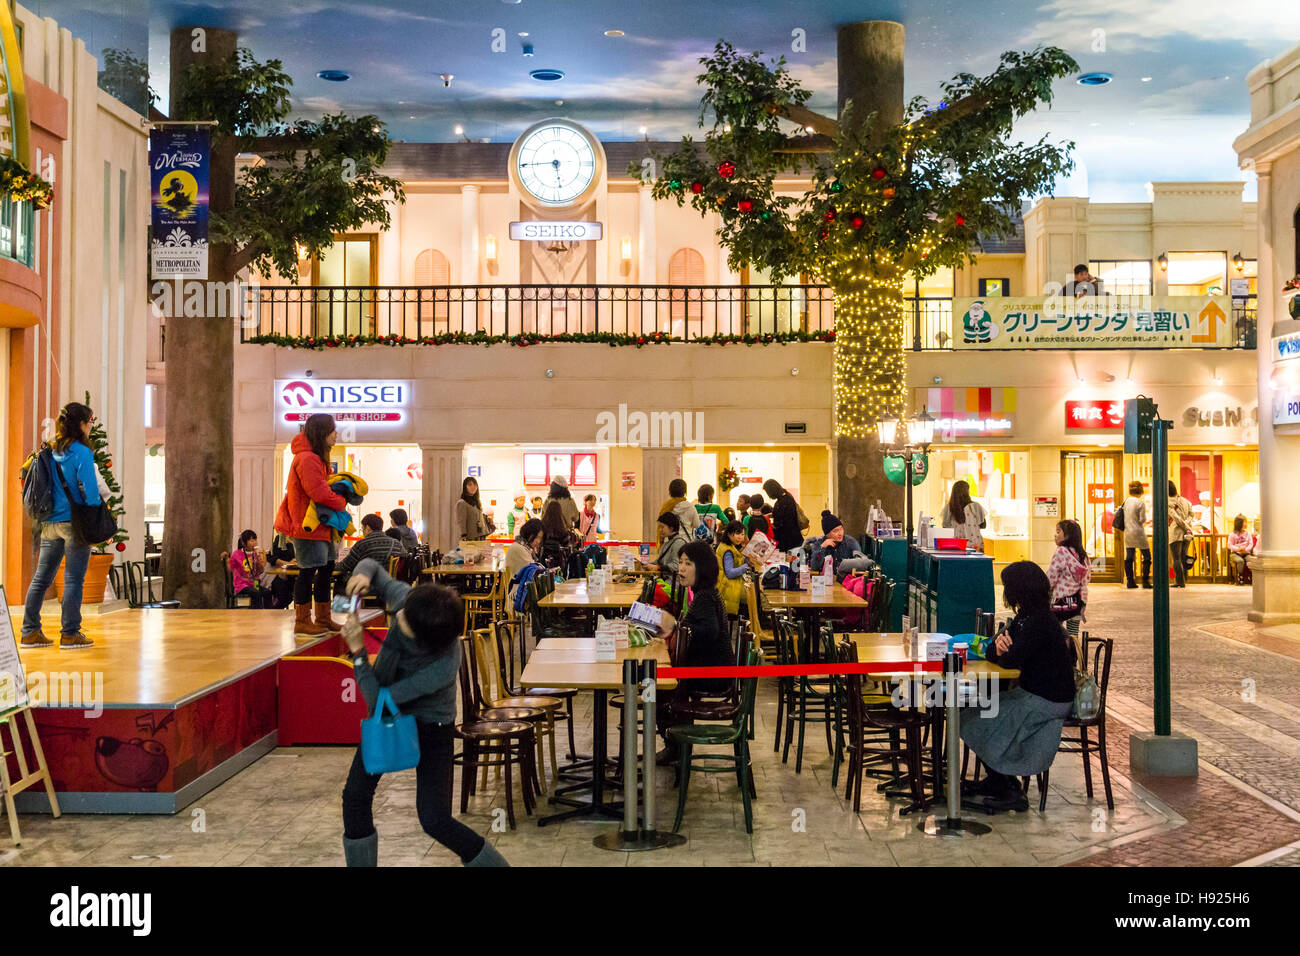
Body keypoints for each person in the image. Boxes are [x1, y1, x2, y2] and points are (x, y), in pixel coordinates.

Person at [339, 559, 507, 867]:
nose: (398, 613)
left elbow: (379, 700)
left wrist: (358, 653)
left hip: (432, 726)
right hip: (388, 715)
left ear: (424, 639)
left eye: (403, 619)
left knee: (434, 818)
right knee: (355, 796)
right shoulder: (413, 603)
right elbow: (375, 568)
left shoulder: (442, 666)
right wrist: (364, 574)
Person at [960, 561, 1076, 807]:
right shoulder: (1025, 616)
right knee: (973, 713)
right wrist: (998, 648)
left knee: (982, 718)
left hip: (1048, 700)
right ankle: (1000, 779)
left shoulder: (1040, 622)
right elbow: (992, 648)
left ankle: (1009, 788)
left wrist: (1001, 650)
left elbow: (1011, 659)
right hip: (1032, 693)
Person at [20, 402, 101, 649]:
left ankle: (30, 631)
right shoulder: (82, 453)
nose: (91, 426)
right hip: (73, 524)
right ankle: (70, 633)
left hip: (49, 523)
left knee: (41, 578)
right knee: (74, 579)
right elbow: (93, 493)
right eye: (91, 421)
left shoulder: (51, 449)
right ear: (82, 423)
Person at [655, 541, 737, 761]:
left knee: (661, 688)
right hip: (709, 667)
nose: (681, 568)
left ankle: (675, 745)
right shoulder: (702, 593)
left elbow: (709, 630)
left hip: (713, 674)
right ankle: (675, 744)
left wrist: (678, 627)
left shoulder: (705, 597)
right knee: (663, 684)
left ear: (701, 568)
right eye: (680, 562)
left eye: (687, 563)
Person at [274, 413, 348, 636]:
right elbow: (318, 492)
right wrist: (341, 501)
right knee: (308, 571)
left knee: (325, 569)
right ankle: (303, 619)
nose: (336, 434)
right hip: (307, 525)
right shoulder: (307, 458)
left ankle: (323, 618)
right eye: (332, 430)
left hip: (320, 525)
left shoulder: (315, 457)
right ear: (321, 432)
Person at [1048, 519, 1090, 639]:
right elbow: (1086, 581)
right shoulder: (1083, 555)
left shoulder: (1061, 552)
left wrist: (1044, 589)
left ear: (1067, 536)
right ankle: (1074, 654)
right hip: (1076, 602)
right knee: (1073, 635)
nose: (1055, 535)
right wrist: (1084, 602)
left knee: (1056, 634)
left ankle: (1060, 656)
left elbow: (1052, 575)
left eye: (1058, 532)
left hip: (1059, 603)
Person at [338, 513, 407, 580]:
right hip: (389, 584)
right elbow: (405, 557)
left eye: (362, 528)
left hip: (367, 585)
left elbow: (346, 565)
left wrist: (332, 565)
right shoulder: (396, 543)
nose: (363, 532)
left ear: (367, 528)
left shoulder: (362, 544)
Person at [804, 511, 867, 577]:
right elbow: (815, 567)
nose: (840, 533)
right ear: (827, 534)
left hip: (846, 581)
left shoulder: (851, 542)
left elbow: (861, 563)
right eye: (835, 531)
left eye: (841, 529)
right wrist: (822, 547)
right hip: (825, 582)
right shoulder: (819, 544)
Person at [714, 521, 752, 617]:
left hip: (726, 586)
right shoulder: (728, 551)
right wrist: (747, 566)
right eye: (737, 534)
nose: (740, 537)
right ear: (729, 534)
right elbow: (730, 573)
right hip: (728, 588)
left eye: (743, 534)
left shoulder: (729, 547)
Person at [505, 518, 544, 610]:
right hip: (519, 595)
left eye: (540, 538)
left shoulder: (523, 547)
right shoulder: (518, 549)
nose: (538, 541)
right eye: (537, 537)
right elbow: (532, 571)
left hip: (521, 591)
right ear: (530, 534)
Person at [762, 478, 807, 553]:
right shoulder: (788, 496)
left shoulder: (781, 503)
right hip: (795, 536)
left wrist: (767, 524)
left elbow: (778, 524)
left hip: (786, 540)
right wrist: (769, 515)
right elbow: (782, 514)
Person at [1120, 480, 1151, 589]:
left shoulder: (1126, 501)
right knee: (1147, 557)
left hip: (1128, 532)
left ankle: (1130, 581)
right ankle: (1145, 581)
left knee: (1129, 557)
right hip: (1138, 532)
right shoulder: (1140, 503)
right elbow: (1142, 519)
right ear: (1141, 491)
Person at [940, 480, 987, 552]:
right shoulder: (975, 507)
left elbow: (945, 527)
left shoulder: (949, 508)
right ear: (967, 492)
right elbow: (983, 525)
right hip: (975, 546)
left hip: (957, 546)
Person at [230, 530, 270, 609]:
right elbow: (230, 567)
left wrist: (259, 559)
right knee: (256, 593)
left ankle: (269, 615)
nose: (254, 542)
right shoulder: (237, 554)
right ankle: (255, 615)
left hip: (254, 584)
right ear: (243, 543)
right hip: (241, 585)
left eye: (255, 540)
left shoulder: (255, 554)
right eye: (251, 540)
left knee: (267, 593)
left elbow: (261, 571)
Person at [539, 499, 578, 572]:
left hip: (545, 557)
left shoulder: (542, 525)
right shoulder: (562, 527)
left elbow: (540, 542)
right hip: (558, 558)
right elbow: (566, 544)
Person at [1168, 480, 1195, 588]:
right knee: (1183, 556)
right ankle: (1184, 579)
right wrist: (1187, 525)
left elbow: (1175, 518)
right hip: (1187, 533)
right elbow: (1191, 515)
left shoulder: (1168, 502)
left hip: (1176, 532)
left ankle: (1180, 582)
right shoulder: (1185, 500)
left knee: (1176, 558)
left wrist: (1184, 525)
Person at [656, 478, 700, 543]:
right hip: (686, 542)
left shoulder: (666, 507)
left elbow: (661, 525)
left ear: (670, 491)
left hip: (669, 542)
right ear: (685, 491)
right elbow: (697, 525)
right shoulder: (691, 507)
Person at [648, 512, 690, 576]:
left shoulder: (678, 543)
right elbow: (659, 561)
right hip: (664, 581)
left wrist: (657, 567)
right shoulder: (667, 543)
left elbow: (676, 565)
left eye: (662, 527)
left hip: (672, 583)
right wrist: (648, 565)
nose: (660, 530)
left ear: (671, 528)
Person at [265, 533, 297, 609]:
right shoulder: (281, 538)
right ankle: (273, 611)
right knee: (285, 595)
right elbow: (272, 557)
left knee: (301, 590)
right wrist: (288, 563)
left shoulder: (299, 538)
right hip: (279, 575)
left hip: (293, 574)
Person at [454, 477, 488, 542]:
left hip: (481, 537)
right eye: (469, 485)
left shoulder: (477, 502)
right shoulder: (462, 503)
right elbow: (461, 522)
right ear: (465, 487)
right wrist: (463, 537)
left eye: (475, 485)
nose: (473, 487)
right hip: (471, 539)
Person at [1227, 515, 1255, 585]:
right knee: (1240, 561)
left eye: (1246, 522)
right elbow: (1229, 545)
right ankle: (1240, 576)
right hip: (1235, 553)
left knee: (1252, 560)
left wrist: (1246, 549)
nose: (1245, 524)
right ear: (1238, 523)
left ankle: (1251, 576)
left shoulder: (1247, 533)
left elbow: (1251, 544)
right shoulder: (1232, 534)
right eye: (1243, 522)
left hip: (1246, 553)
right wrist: (1238, 549)